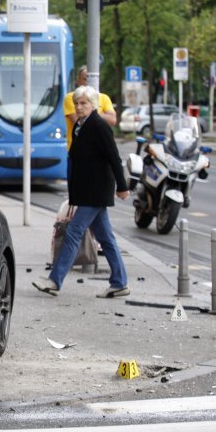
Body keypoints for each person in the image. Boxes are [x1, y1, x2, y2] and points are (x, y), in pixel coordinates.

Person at [33, 86, 131, 299]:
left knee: (74, 232)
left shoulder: (98, 126)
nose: (79, 107)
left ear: (94, 104)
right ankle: (120, 282)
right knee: (106, 238)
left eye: (84, 103)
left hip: (95, 191)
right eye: (77, 103)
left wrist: (122, 187)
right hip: (88, 191)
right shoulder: (80, 125)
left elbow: (114, 157)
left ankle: (55, 280)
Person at [64, 65, 116, 151]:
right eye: (85, 79)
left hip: (100, 149)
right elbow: (80, 122)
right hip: (77, 149)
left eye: (92, 80)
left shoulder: (104, 98)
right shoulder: (71, 97)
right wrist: (100, 115)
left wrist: (91, 113)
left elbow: (112, 120)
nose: (88, 83)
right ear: (78, 81)